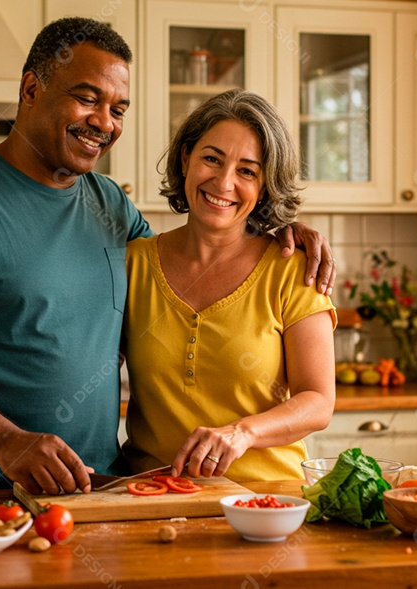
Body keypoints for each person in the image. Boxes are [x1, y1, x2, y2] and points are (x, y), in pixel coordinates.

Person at [0, 18, 335, 495]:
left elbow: (193, 262)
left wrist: (272, 227)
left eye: (118, 108)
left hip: (99, 492)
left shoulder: (110, 205)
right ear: (31, 89)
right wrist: (6, 442)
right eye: (87, 99)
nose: (104, 122)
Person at [122, 89, 336, 482]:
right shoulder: (131, 264)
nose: (223, 182)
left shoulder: (293, 269)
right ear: (186, 158)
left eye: (247, 171)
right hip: (150, 498)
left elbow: (319, 401)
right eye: (211, 159)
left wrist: (243, 433)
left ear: (265, 185)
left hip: (266, 503)